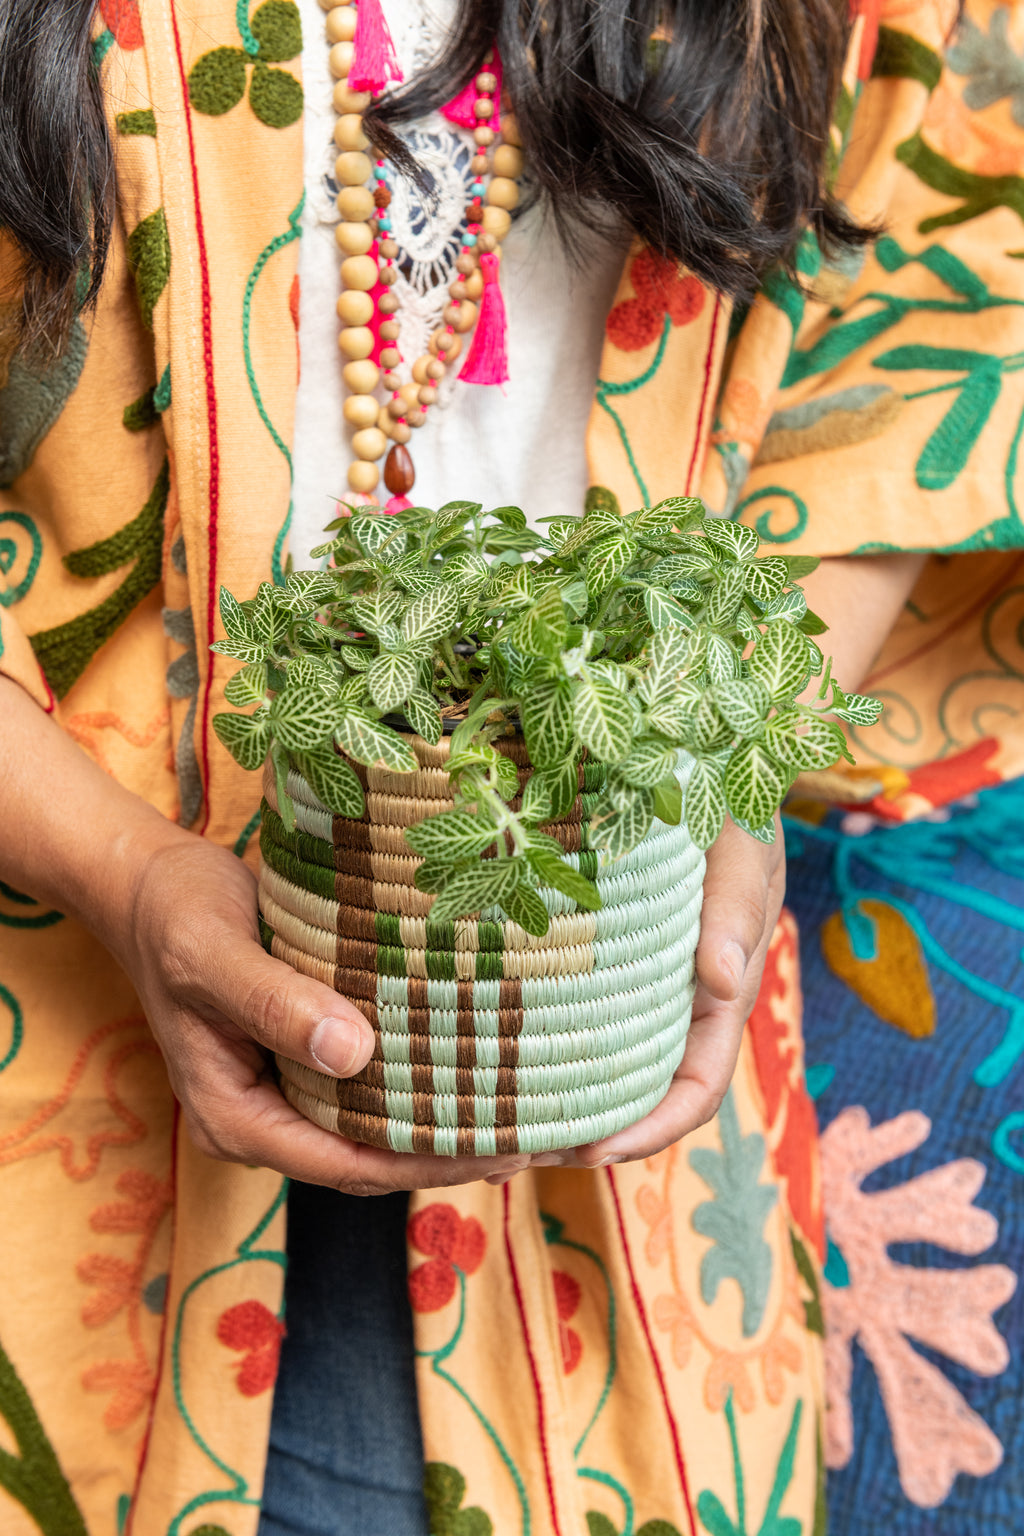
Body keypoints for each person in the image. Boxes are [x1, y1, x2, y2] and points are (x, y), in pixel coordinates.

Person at [0, 0, 1020, 1532]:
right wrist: (129, 873)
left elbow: (948, 289)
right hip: (68, 1076)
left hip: (620, 1066)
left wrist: (727, 743)